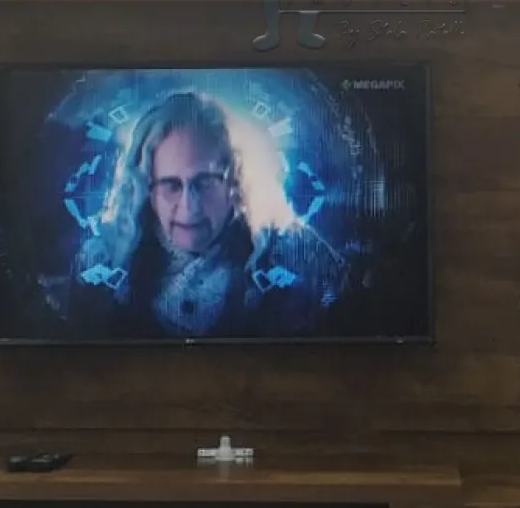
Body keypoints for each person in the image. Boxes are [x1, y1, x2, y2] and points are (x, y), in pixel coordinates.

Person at [73, 88, 342, 338]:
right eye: (171, 185)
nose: (190, 207)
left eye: (205, 182)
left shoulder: (298, 256)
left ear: (234, 182)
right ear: (145, 189)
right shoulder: (100, 261)